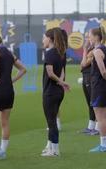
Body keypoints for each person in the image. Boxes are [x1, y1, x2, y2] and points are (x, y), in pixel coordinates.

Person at [0, 31, 26, 160]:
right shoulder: (9, 52)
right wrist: (11, 80)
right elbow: (23, 69)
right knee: (4, 122)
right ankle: (3, 151)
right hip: (9, 90)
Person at [41, 27, 70, 157]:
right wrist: (61, 82)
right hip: (58, 91)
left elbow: (50, 73)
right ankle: (50, 147)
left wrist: (61, 82)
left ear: (50, 39)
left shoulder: (49, 53)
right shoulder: (61, 53)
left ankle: (55, 150)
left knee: (51, 122)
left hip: (50, 92)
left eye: (44, 37)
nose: (43, 40)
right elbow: (62, 71)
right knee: (51, 120)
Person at [88, 27, 106, 153]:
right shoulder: (105, 49)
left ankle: (104, 145)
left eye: (90, 36)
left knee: (100, 116)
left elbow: (103, 70)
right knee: (104, 115)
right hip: (104, 87)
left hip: (99, 87)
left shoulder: (98, 51)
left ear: (96, 37)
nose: (88, 38)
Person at [80, 32, 99, 135]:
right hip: (86, 76)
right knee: (90, 103)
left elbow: (83, 64)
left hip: (90, 77)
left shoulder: (94, 50)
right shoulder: (90, 50)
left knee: (93, 102)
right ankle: (91, 126)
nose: (87, 39)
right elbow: (81, 65)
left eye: (88, 37)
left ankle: (97, 127)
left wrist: (84, 50)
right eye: (86, 37)